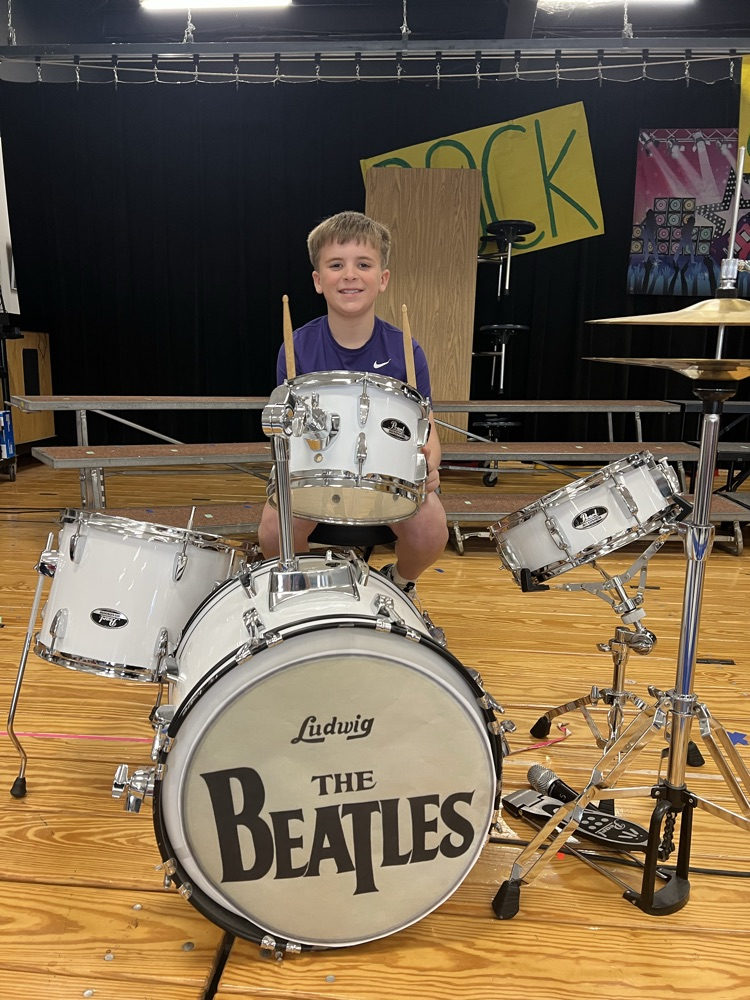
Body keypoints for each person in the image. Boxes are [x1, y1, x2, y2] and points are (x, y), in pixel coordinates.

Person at [258, 210, 448, 595]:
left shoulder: (406, 350)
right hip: (315, 469)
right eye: (336, 265)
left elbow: (425, 425)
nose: (349, 275)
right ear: (318, 280)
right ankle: (310, 593)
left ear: (383, 279)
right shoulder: (297, 347)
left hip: (388, 477)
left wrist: (430, 464)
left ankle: (401, 581)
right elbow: (287, 430)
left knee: (431, 531)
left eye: (363, 264)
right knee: (273, 533)